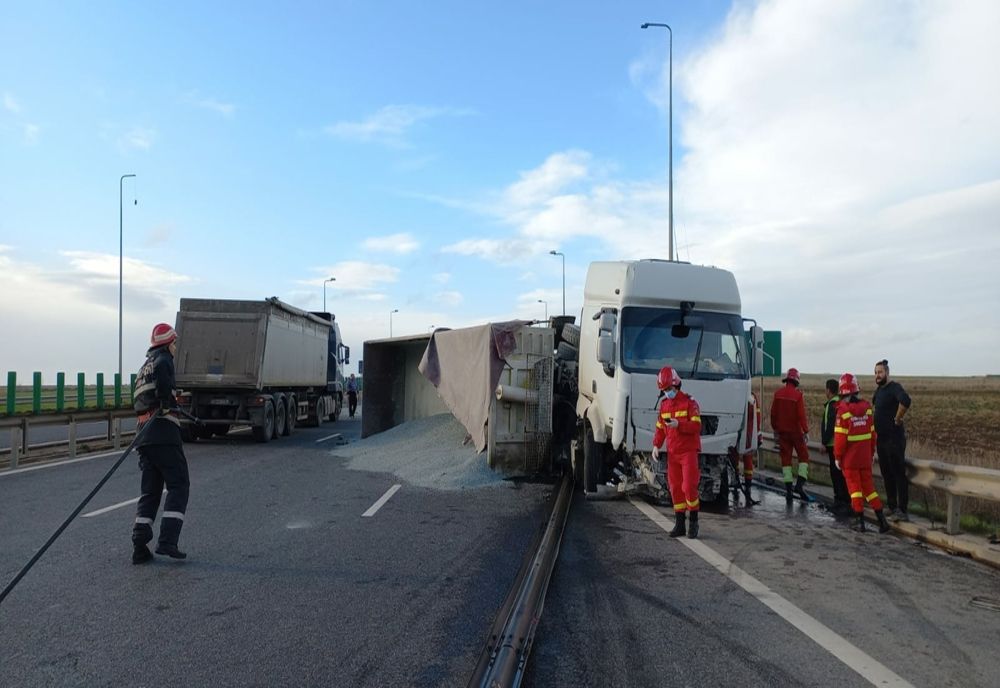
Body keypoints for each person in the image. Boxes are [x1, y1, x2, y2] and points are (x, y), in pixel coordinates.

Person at [131, 323, 190, 564]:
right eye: (174, 342)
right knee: (179, 485)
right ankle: (167, 541)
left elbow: (139, 400)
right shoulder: (164, 360)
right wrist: (168, 403)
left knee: (150, 491)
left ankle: (139, 545)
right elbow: (165, 391)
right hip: (163, 432)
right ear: (168, 343)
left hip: (144, 435)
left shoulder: (143, 367)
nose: (175, 347)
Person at [834, 373, 891, 533]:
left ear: (842, 393)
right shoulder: (867, 408)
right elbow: (873, 434)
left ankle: (859, 522)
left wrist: (838, 457)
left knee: (855, 490)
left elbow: (840, 439)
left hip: (850, 460)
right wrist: (872, 452)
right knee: (869, 490)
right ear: (856, 390)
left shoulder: (843, 411)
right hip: (865, 458)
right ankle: (882, 522)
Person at [652, 366, 703, 539]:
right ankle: (680, 524)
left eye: (668, 389)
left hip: (688, 452)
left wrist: (679, 425)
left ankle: (693, 521)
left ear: (676, 385)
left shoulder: (690, 403)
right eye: (664, 390)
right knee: (675, 489)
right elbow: (660, 427)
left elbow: (697, 426)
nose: (667, 392)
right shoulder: (664, 405)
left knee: (689, 486)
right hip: (672, 453)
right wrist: (656, 445)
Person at [872, 359, 912, 521]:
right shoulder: (879, 391)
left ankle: (902, 510)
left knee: (898, 474)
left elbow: (906, 401)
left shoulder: (895, 387)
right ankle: (892, 506)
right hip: (881, 440)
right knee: (887, 474)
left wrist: (897, 418)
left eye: (880, 372)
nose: (877, 375)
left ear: (887, 373)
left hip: (894, 440)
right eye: (875, 372)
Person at [770, 367, 811, 502]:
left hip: (782, 433)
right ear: (796, 381)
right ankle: (799, 486)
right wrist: (806, 431)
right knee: (804, 457)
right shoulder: (798, 396)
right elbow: (801, 416)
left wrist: (776, 429)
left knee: (786, 461)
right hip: (796, 433)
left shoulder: (778, 394)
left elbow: (773, 415)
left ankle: (788, 491)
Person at [821, 378, 851, 515]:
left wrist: (824, 442)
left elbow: (830, 426)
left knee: (837, 475)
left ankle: (841, 502)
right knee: (840, 475)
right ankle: (843, 501)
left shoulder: (833, 405)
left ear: (828, 390)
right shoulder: (839, 403)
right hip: (840, 444)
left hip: (834, 445)